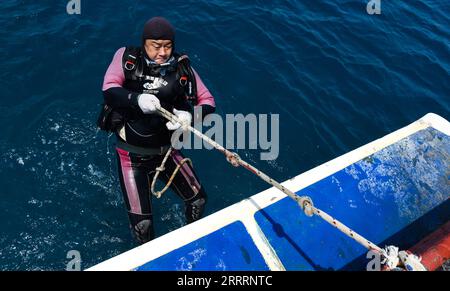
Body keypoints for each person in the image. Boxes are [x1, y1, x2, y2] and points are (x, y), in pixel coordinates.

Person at [101, 17, 216, 243]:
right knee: (143, 226)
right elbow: (109, 88)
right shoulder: (127, 58)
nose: (162, 52)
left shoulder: (183, 68)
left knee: (198, 200)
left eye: (167, 46)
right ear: (144, 43)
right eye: (156, 46)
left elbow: (208, 101)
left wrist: (190, 116)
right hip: (130, 157)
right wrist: (136, 99)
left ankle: (192, 242)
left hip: (166, 152)